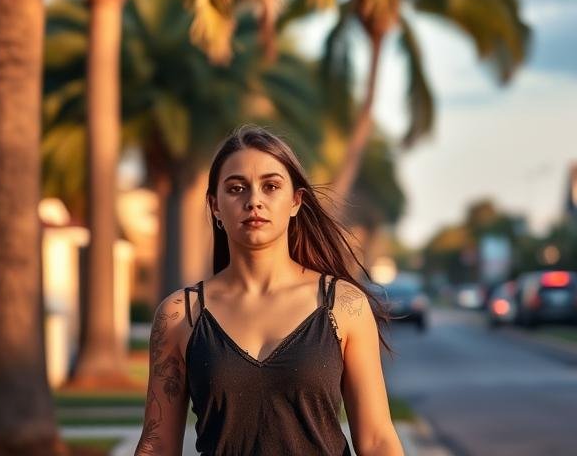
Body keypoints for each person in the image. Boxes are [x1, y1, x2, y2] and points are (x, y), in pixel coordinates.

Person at [134, 125, 404, 456]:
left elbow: (377, 439)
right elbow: (156, 444)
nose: (254, 201)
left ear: (295, 201)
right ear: (215, 205)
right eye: (236, 188)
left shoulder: (343, 305)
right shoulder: (179, 314)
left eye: (271, 186)